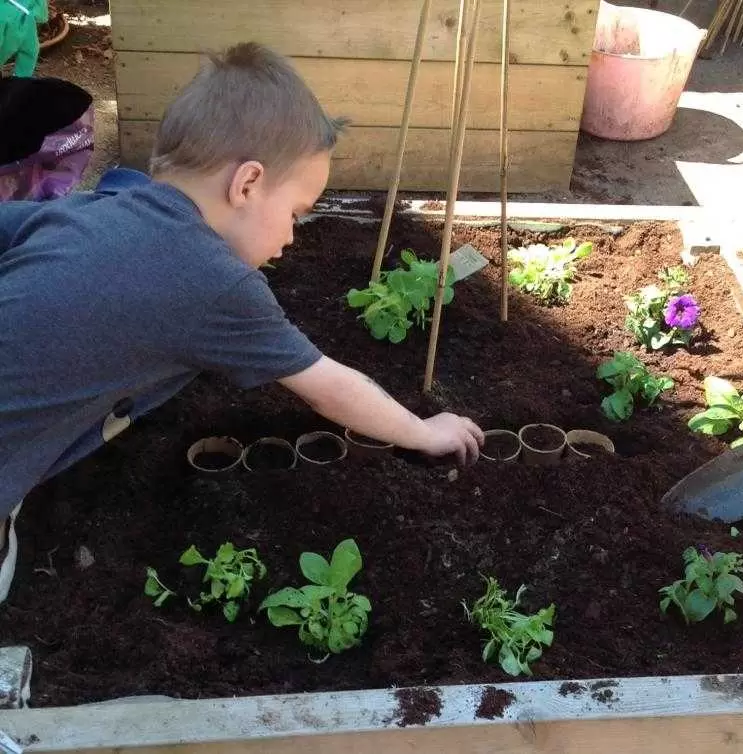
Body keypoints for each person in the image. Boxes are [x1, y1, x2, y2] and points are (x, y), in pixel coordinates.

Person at [0, 42, 484, 604]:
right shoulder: (213, 281)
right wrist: (426, 432)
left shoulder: (90, 209)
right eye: (297, 212)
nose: (292, 236)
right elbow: (330, 388)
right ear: (247, 184)